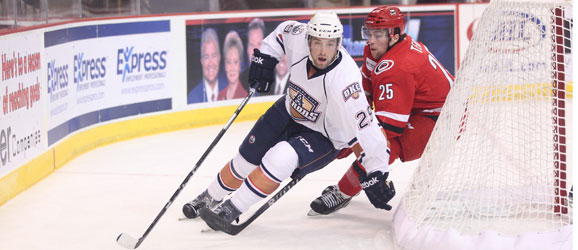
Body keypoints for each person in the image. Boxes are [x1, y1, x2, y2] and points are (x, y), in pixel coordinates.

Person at [182, 12, 395, 226]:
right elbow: (282, 32)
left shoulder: (346, 83)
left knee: (280, 157)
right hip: (289, 110)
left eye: (330, 44)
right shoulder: (299, 36)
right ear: (308, 39)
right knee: (246, 159)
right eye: (318, 43)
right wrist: (265, 57)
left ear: (338, 44)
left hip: (324, 136)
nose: (323, 51)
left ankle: (231, 208)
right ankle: (209, 197)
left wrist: (377, 172)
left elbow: (367, 131)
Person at [308, 6, 454, 215]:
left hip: (443, 116)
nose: (370, 40)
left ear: (394, 36)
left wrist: (351, 141)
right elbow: (363, 92)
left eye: (378, 34)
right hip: (417, 104)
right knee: (361, 140)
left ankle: (342, 192)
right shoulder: (377, 50)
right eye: (368, 33)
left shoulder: (398, 66)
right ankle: (355, 177)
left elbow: (387, 130)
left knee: (383, 147)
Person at [187, 28, 226, 104]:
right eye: (206, 57)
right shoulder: (193, 97)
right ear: (201, 61)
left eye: (214, 56)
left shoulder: (229, 90)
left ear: (219, 58)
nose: (210, 63)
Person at [218, 30, 248, 100]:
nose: (232, 68)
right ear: (225, 65)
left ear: (240, 64)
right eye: (228, 62)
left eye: (235, 62)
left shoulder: (245, 96)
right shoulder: (220, 96)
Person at [240, 18, 265, 93]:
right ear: (247, 49)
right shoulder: (241, 79)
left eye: (259, 44)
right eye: (252, 45)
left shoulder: (276, 78)